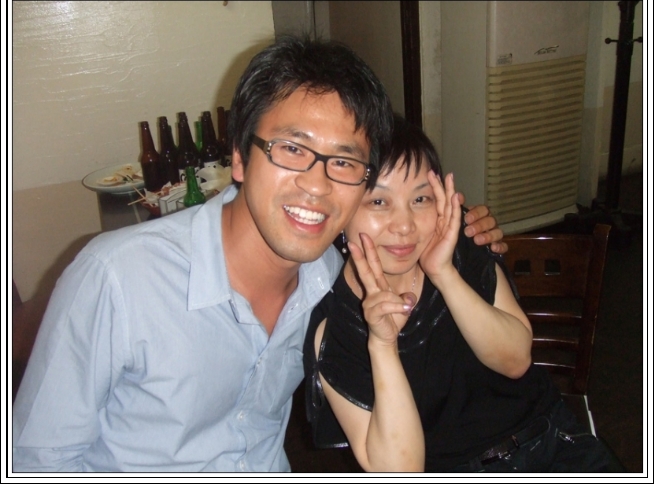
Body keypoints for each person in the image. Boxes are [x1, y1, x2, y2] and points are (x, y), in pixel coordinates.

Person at [12, 37, 502, 473]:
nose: (317, 185)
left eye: (343, 161)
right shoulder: (119, 278)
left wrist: (465, 236)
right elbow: (38, 462)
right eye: (292, 149)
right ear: (239, 157)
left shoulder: (332, 276)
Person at [304, 115, 617, 473]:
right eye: (378, 202)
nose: (404, 225)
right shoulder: (336, 325)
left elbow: (515, 360)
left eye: (420, 198)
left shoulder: (456, 240)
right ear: (342, 209)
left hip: (550, 441)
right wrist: (383, 346)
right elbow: (400, 471)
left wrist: (445, 274)